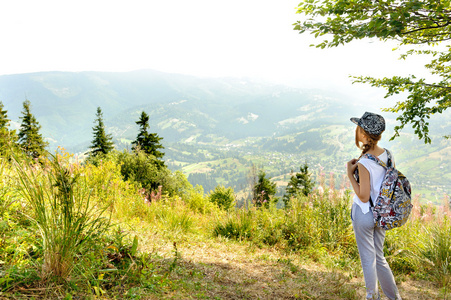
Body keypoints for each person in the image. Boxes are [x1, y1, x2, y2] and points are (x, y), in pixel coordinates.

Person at [346, 112, 401, 300]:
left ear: (363, 134)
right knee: (379, 258)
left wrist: (350, 175)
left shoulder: (364, 162)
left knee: (368, 260)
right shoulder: (388, 155)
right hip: (382, 214)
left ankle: (372, 297)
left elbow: (363, 196)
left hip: (365, 215)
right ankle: (394, 297)